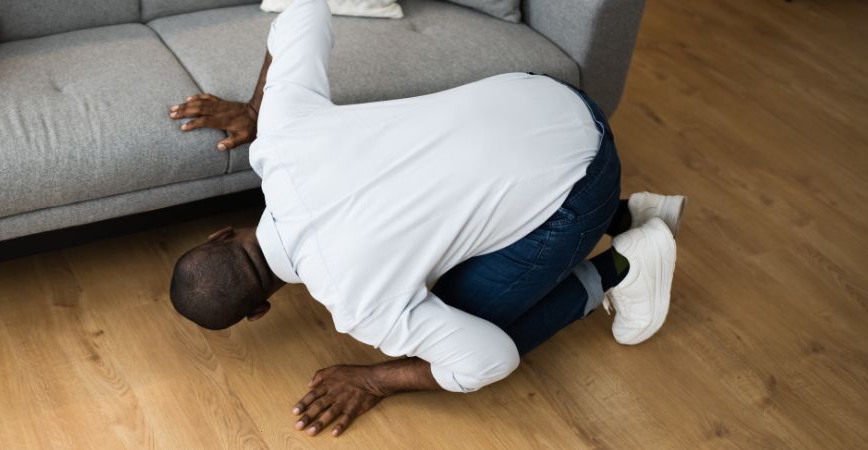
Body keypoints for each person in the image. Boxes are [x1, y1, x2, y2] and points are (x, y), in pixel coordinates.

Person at [166, 0, 684, 438]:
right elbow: (304, 9)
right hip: (550, 95)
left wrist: (375, 380)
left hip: (584, 176)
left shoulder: (360, 308)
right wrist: (260, 107)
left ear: (259, 309)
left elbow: (491, 360)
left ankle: (625, 267)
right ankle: (631, 213)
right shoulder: (278, 140)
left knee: (468, 324)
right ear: (224, 233)